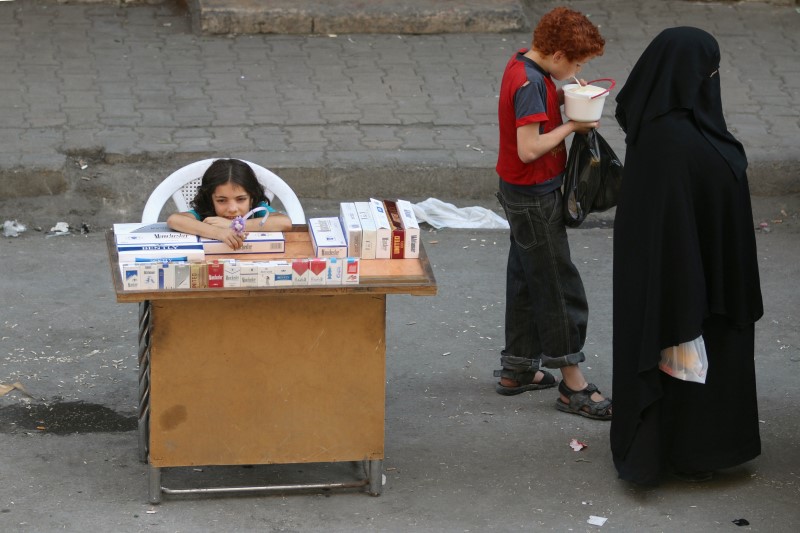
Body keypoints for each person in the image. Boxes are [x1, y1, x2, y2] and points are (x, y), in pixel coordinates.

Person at [611, 27, 763, 485]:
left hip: (667, 277)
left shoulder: (652, 128)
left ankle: (660, 450)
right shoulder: (684, 142)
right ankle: (693, 453)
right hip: (693, 282)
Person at [493, 7, 612, 420]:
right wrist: (573, 125)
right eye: (577, 62)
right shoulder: (530, 84)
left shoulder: (525, 65)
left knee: (527, 277)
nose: (578, 68)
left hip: (518, 193)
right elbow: (529, 149)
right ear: (559, 54)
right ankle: (573, 384)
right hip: (533, 196)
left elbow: (532, 103)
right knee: (558, 286)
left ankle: (519, 368)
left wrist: (561, 95)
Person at [167, 158, 292, 249]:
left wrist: (233, 225)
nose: (232, 209)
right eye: (221, 200)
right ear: (210, 200)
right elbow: (174, 220)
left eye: (241, 199)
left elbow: (284, 222)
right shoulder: (206, 214)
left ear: (252, 198)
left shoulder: (257, 210)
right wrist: (218, 232)